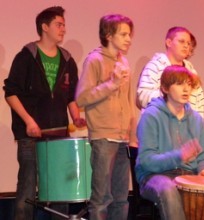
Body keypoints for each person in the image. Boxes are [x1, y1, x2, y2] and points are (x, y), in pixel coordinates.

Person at [3, 6, 86, 219]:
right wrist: (29, 122)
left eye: (64, 25)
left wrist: (76, 116)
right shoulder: (26, 56)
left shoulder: (67, 60)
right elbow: (11, 93)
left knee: (60, 191)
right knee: (27, 190)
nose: (63, 29)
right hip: (30, 136)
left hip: (58, 137)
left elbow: (71, 97)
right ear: (44, 27)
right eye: (59, 25)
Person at [136, 65, 204, 220]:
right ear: (165, 88)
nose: (186, 89)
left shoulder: (196, 119)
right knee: (168, 189)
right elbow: (146, 161)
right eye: (180, 84)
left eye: (189, 84)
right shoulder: (151, 116)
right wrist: (179, 156)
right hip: (155, 176)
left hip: (190, 174)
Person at [75, 14, 137, 219]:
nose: (129, 38)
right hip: (103, 138)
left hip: (122, 138)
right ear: (109, 35)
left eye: (130, 34)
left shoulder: (124, 62)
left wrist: (132, 133)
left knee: (121, 198)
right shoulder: (94, 60)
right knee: (101, 198)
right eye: (124, 34)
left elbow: (129, 103)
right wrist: (111, 83)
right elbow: (81, 98)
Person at [137, 26, 204, 117]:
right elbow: (143, 96)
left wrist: (197, 125)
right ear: (169, 42)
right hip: (159, 124)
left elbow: (199, 102)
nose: (186, 46)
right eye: (181, 41)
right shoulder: (155, 66)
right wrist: (170, 96)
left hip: (186, 126)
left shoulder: (192, 72)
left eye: (188, 43)